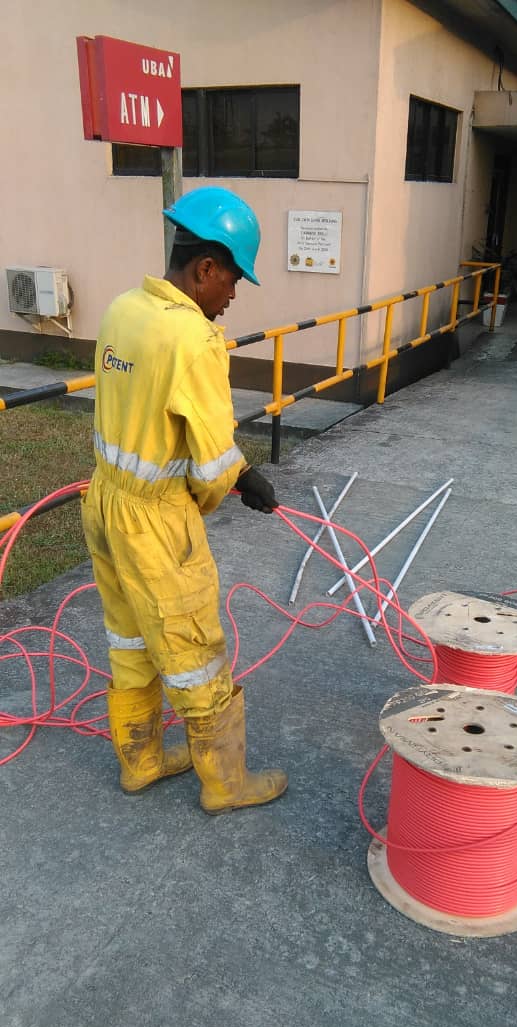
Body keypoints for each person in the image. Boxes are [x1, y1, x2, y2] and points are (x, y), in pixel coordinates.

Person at [81, 186, 287, 814]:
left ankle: (140, 762)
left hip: (105, 504)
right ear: (205, 268)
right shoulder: (195, 339)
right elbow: (212, 462)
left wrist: (234, 474)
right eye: (233, 280)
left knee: (131, 641)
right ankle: (225, 783)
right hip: (155, 523)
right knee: (194, 649)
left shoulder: (122, 309)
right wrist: (237, 483)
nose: (233, 297)